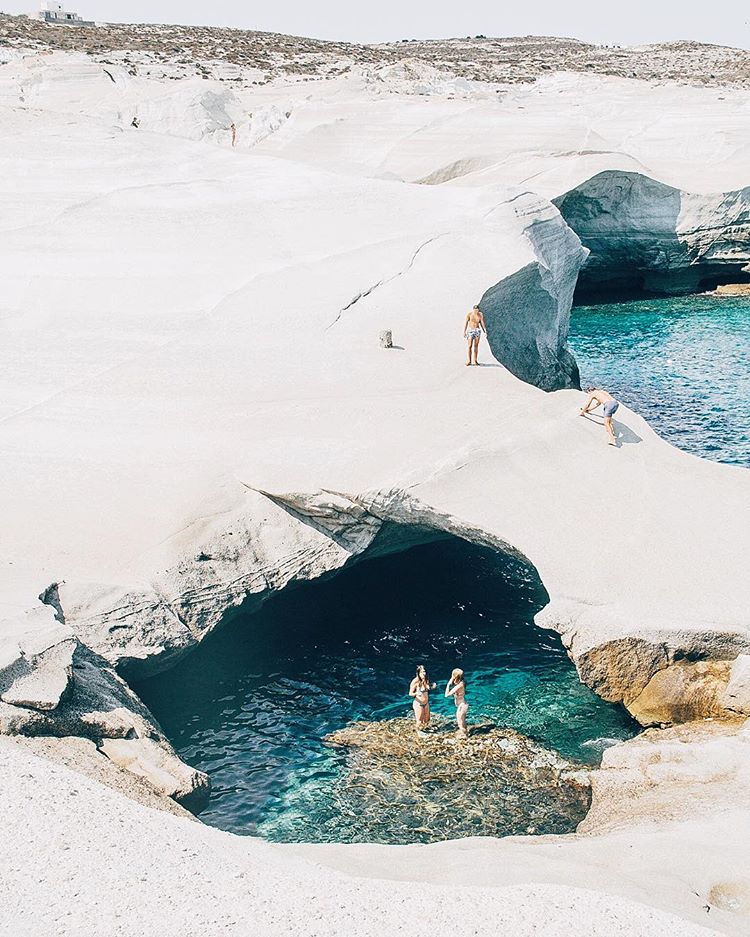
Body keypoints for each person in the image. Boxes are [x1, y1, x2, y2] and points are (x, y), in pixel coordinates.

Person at [409, 664, 436, 735]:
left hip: (426, 703)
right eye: (422, 672)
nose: (424, 673)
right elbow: (410, 693)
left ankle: (426, 729)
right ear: (418, 673)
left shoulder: (426, 679)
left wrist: (432, 687)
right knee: (419, 721)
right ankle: (418, 732)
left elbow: (426, 689)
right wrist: (416, 693)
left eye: (424, 671)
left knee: (427, 719)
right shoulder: (415, 681)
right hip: (419, 704)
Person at [445, 668, 469, 738]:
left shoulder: (459, 686)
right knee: (463, 722)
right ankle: (466, 735)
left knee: (460, 724)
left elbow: (446, 695)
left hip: (462, 706)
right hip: (463, 704)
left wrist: (448, 684)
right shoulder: (461, 682)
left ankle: (466, 736)